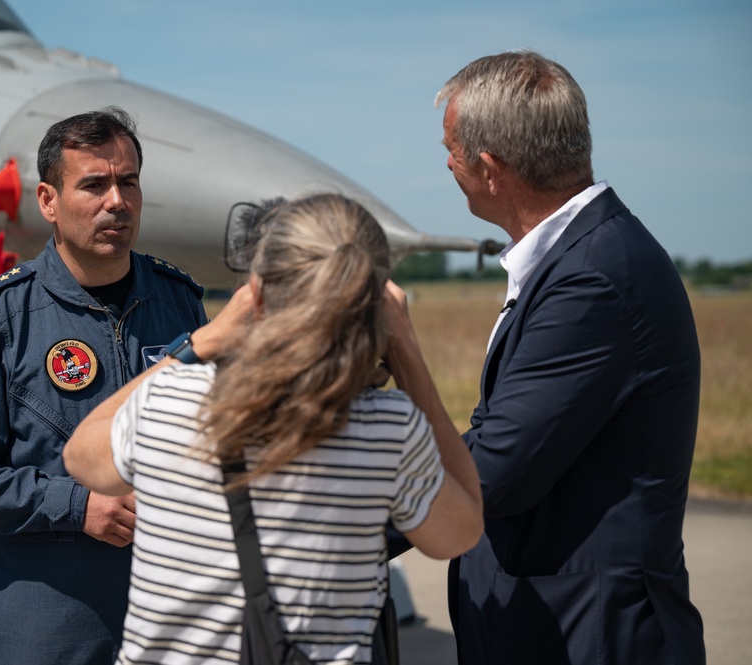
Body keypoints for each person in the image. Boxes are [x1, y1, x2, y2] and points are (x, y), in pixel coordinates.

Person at [63, 193, 483, 664]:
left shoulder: (172, 398)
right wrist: (405, 347)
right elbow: (460, 532)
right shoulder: (386, 429)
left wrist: (203, 341)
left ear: (256, 293)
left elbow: (83, 457)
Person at [434, 51, 705, 664]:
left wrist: (334, 523)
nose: (446, 165)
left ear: (489, 168)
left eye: (449, 150)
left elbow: (494, 469)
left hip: (591, 638)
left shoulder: (594, 278)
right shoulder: (583, 258)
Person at [0, 107, 208, 664]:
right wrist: (77, 507)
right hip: (51, 627)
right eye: (94, 185)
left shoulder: (181, 303)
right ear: (48, 201)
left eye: (128, 182)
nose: (116, 202)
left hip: (172, 622)